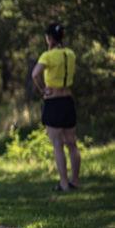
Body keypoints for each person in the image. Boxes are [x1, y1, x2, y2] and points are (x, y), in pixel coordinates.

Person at [32, 22, 80, 192]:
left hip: (54, 102)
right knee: (72, 144)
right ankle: (75, 181)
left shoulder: (48, 56)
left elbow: (35, 74)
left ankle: (64, 184)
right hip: (68, 101)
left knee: (58, 144)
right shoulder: (71, 54)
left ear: (49, 38)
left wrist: (42, 90)